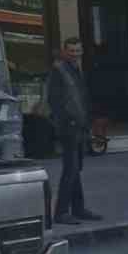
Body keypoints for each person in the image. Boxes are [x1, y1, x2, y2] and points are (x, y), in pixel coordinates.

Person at [47, 37, 101, 224]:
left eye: (78, 51)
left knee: (76, 169)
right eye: (71, 51)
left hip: (80, 125)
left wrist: (87, 122)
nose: (75, 54)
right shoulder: (58, 70)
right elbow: (54, 101)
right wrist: (67, 122)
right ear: (64, 51)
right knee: (70, 169)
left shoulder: (77, 69)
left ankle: (78, 208)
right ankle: (61, 212)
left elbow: (81, 98)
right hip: (68, 127)